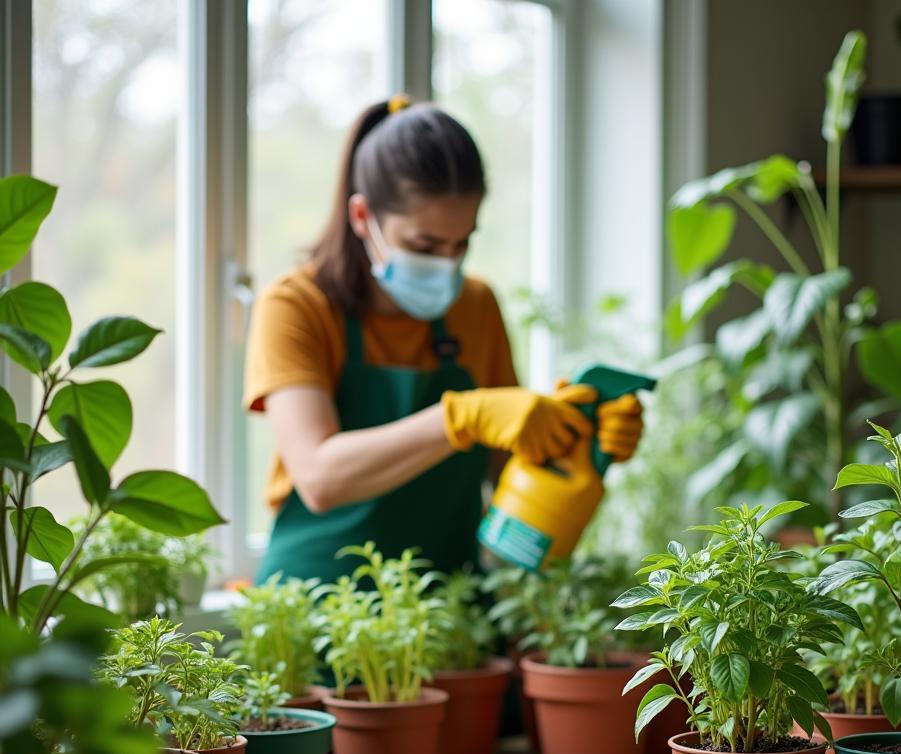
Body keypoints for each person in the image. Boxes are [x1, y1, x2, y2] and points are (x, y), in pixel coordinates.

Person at [244, 95, 644, 583]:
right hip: (318, 604)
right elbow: (320, 477)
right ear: (362, 217)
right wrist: (463, 416)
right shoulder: (297, 305)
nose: (446, 265)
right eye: (424, 245)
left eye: (462, 244)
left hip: (450, 611)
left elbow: (506, 482)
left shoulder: (475, 306)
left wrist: (576, 441)